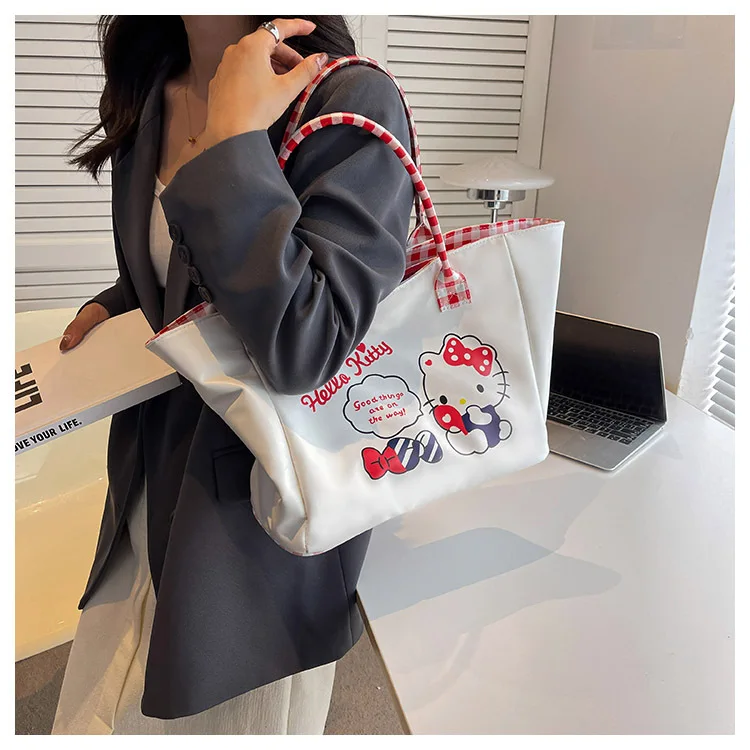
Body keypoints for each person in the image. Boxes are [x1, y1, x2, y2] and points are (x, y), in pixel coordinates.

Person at [51, 15, 413, 735]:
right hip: (149, 482)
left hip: (256, 528)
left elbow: (309, 341)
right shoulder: (154, 86)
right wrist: (119, 301)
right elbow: (187, 264)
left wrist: (234, 141)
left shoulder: (345, 95)